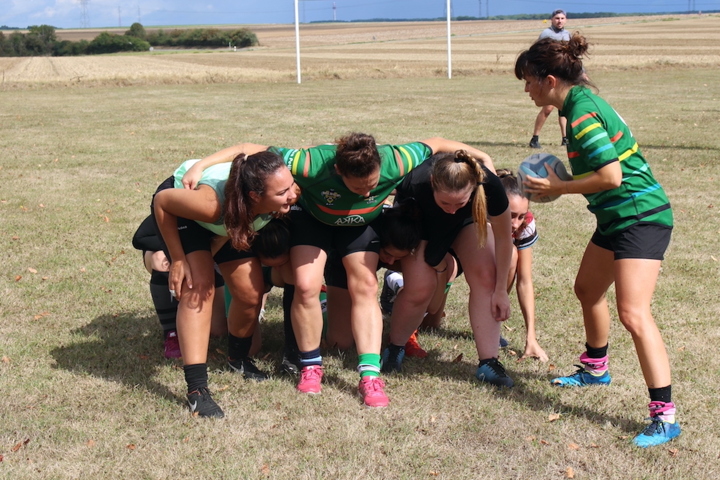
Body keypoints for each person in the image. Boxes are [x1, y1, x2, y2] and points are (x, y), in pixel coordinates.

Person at [183, 134, 495, 408]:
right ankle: (310, 366)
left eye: (372, 185)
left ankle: (370, 377)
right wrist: (201, 165)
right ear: (337, 172)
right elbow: (249, 148)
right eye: (357, 186)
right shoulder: (311, 163)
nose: (365, 192)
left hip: (359, 226)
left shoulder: (395, 160)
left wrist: (480, 155)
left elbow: (437, 143)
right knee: (305, 286)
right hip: (315, 222)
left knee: (366, 287)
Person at [515, 33, 680, 447]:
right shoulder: (572, 108)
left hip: (640, 217)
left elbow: (612, 176)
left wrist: (557, 189)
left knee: (634, 313)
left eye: (529, 80)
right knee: (587, 289)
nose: (526, 88)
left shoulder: (583, 112)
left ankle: (665, 416)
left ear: (550, 79)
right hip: (615, 217)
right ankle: (595, 368)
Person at [152, 151, 297, 418]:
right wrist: (178, 259)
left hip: (231, 221)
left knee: (250, 292)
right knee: (200, 286)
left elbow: (244, 145)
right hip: (185, 213)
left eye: (290, 185)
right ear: (255, 196)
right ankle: (197, 390)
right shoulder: (210, 204)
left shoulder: (274, 174)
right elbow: (162, 202)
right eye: (282, 192)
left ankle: (238, 360)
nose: (293, 194)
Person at [382, 150, 515, 388]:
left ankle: (489, 362)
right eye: (445, 202)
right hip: (422, 224)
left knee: (486, 276)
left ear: (474, 187)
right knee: (421, 287)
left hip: (468, 223)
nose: (452, 208)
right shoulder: (416, 181)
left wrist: (500, 290)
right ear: (433, 183)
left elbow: (505, 240)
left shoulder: (490, 186)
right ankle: (395, 347)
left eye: (460, 202)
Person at [132, 215, 227, 359]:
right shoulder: (179, 205)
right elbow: (139, 238)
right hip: (171, 256)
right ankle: (171, 333)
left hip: (208, 260)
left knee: (219, 331)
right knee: (159, 259)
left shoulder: (222, 207)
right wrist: (176, 251)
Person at [496, 169, 548, 362]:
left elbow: (525, 281)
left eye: (521, 216)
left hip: (500, 260)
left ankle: (490, 323)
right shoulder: (481, 215)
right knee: (431, 320)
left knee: (511, 255)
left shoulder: (525, 224)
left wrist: (531, 337)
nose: (516, 224)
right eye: (511, 215)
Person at [528, 9, 570, 149]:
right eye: (557, 18)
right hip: (549, 76)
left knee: (563, 107)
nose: (559, 21)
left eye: (562, 18)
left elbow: (570, 56)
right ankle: (535, 138)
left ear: (566, 20)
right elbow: (537, 53)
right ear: (552, 19)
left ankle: (565, 138)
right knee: (548, 108)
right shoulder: (546, 34)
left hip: (563, 75)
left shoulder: (567, 34)